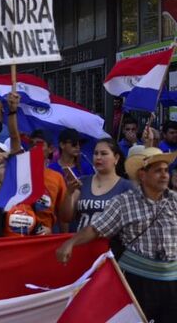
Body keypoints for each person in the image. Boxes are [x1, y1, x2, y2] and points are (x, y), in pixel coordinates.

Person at [56, 147, 177, 322]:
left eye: (166, 170)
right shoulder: (123, 202)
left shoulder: (175, 201)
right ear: (142, 175)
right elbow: (95, 228)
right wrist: (70, 243)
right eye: (158, 171)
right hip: (137, 281)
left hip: (172, 281)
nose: (164, 175)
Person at [59, 138, 134, 230]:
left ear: (116, 158)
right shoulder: (82, 182)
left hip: (110, 243)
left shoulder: (127, 187)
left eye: (104, 154)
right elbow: (65, 218)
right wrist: (69, 193)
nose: (98, 157)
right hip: (81, 242)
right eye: (95, 153)